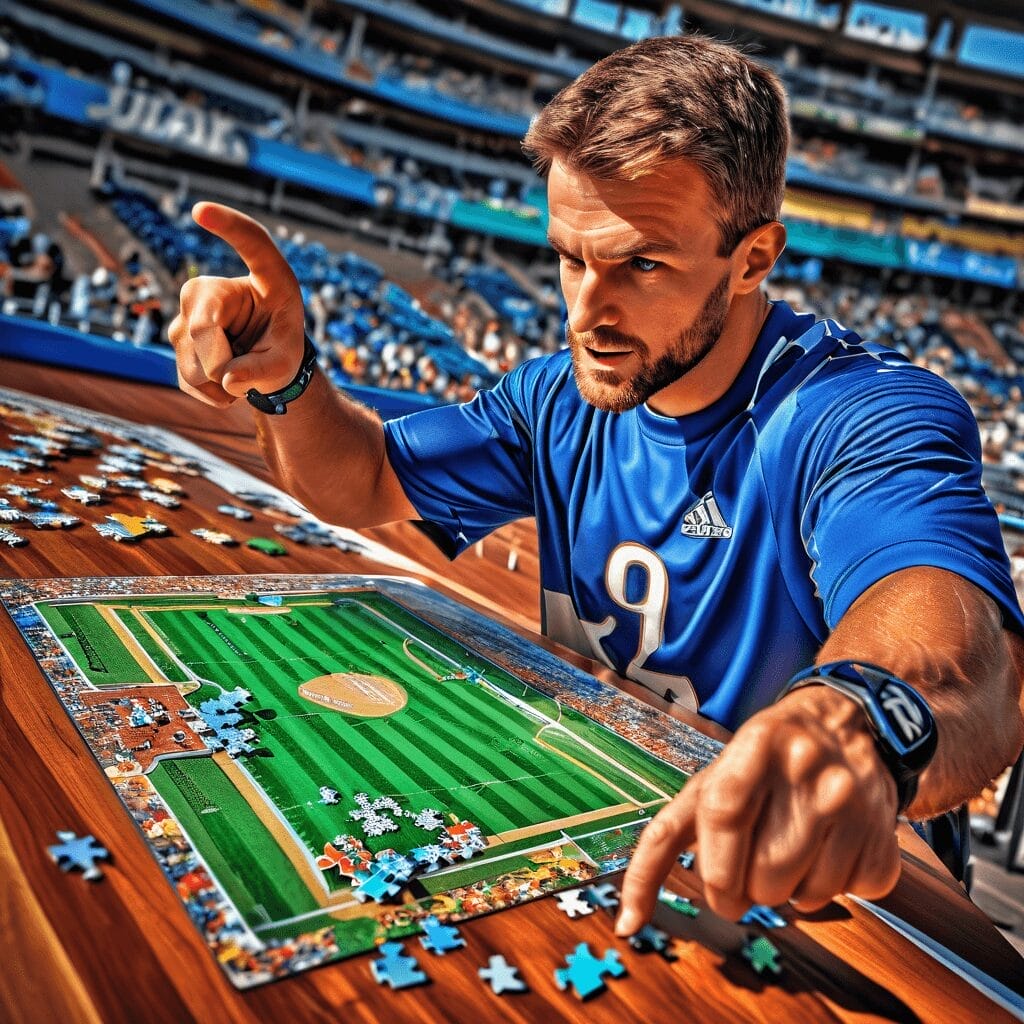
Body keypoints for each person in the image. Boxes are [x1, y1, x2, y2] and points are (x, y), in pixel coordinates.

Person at [169, 34, 1024, 935]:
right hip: (615, 853)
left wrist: (855, 718)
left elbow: (970, 652)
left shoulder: (855, 412)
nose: (585, 312)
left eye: (641, 263)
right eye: (571, 257)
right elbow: (368, 478)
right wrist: (289, 382)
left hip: (829, 896)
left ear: (753, 259)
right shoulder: (557, 395)